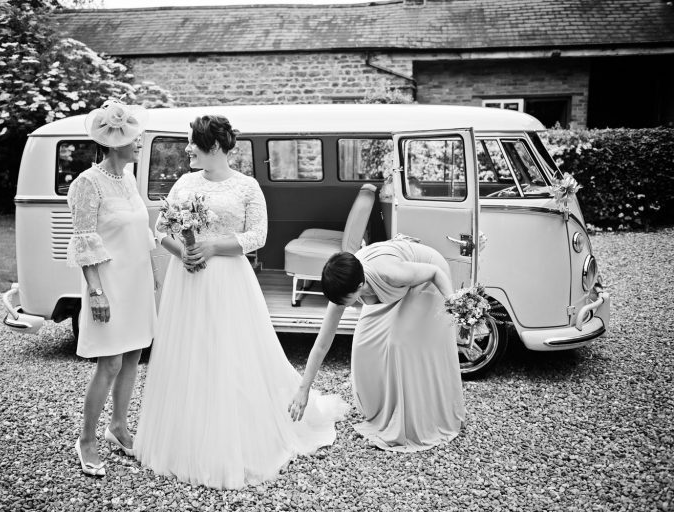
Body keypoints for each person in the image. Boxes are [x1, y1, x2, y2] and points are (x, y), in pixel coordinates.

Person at [134, 114, 348, 489]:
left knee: (230, 354)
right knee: (189, 355)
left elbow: (258, 236)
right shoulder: (184, 183)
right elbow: (160, 231)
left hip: (230, 280)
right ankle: (187, 436)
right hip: (187, 282)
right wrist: (181, 254)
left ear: (214, 147)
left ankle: (234, 438)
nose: (187, 149)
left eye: (192, 143)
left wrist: (214, 245)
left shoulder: (247, 187)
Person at [289, 237, 466, 452]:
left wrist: (455, 305)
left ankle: (413, 418)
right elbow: (322, 344)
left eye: (346, 300)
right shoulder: (343, 284)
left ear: (360, 285)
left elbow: (435, 273)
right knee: (362, 344)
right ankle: (379, 410)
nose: (342, 305)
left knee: (397, 343)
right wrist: (303, 389)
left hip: (429, 277)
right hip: (397, 278)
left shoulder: (390, 273)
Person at [66, 99, 159, 476]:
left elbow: (139, 232)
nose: (140, 143)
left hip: (136, 282)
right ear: (114, 142)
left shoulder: (129, 178)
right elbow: (84, 239)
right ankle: (86, 440)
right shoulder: (87, 184)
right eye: (135, 138)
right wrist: (95, 291)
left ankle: (118, 427)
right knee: (110, 362)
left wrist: (151, 271)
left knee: (135, 355)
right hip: (109, 284)